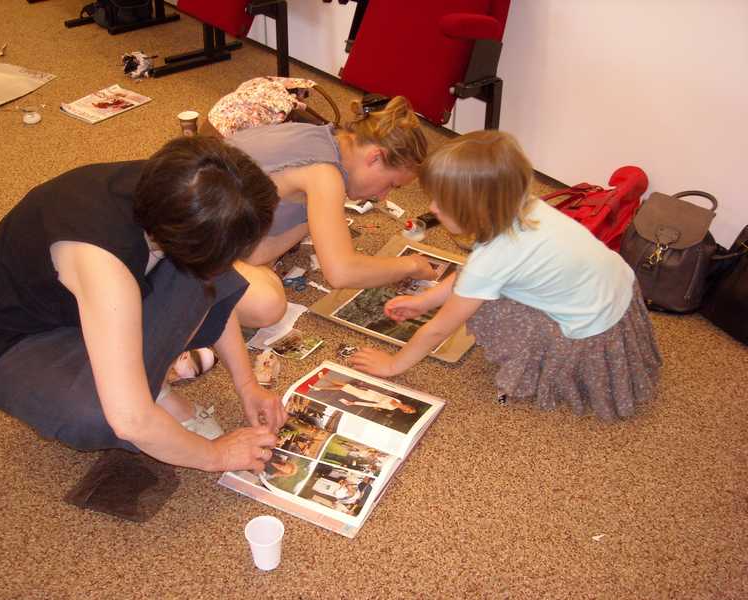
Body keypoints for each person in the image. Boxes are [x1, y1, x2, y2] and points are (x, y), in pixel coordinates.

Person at [0, 136, 287, 472]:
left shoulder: (180, 186)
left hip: (82, 300)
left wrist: (247, 385)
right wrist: (218, 455)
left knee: (200, 273)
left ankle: (144, 382)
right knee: (97, 413)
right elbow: (130, 421)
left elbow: (210, 285)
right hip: (11, 341)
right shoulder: (106, 265)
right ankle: (150, 390)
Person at [350, 131, 662, 421]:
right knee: (485, 289)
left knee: (489, 307)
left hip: (592, 332)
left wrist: (393, 365)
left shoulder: (493, 260)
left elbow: (438, 328)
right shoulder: (527, 207)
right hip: (620, 295)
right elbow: (474, 274)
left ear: (475, 208)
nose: (431, 208)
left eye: (441, 201)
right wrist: (425, 301)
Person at [223, 96, 438, 328]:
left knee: (263, 267)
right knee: (267, 303)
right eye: (391, 184)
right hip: (194, 243)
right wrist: (411, 265)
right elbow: (341, 272)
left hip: (211, 222)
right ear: (375, 157)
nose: (383, 196)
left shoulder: (321, 137)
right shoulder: (324, 173)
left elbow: (257, 253)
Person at [311, 375, 416, 414]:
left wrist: (354, 403)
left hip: (365, 396)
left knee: (344, 386)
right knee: (342, 387)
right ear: (408, 406)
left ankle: (324, 380)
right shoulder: (398, 401)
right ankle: (319, 388)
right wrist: (367, 388)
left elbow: (372, 405)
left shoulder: (391, 408)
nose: (407, 410)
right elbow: (382, 394)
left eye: (408, 412)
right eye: (409, 409)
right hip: (368, 392)